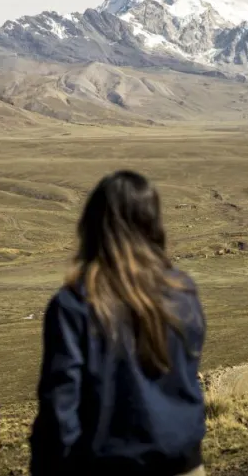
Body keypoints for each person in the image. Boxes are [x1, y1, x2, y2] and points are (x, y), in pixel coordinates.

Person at [29, 170, 207, 476]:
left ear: (92, 226)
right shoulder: (182, 292)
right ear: (153, 223)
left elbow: (60, 406)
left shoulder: (73, 304)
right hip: (183, 462)